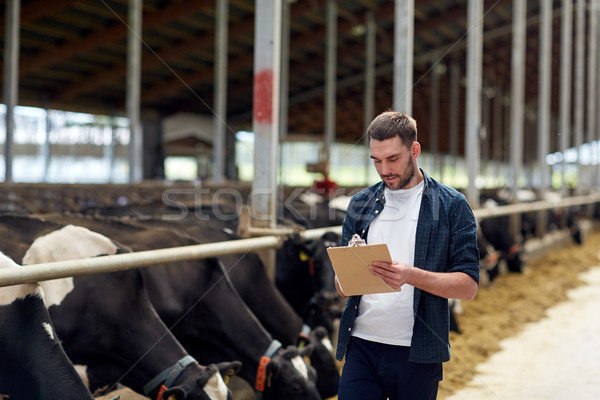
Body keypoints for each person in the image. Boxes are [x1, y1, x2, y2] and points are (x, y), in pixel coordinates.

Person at [334, 111, 480, 400]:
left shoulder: (451, 205)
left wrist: (410, 276)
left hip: (418, 352)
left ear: (414, 150)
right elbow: (341, 288)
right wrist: (346, 276)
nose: (384, 169)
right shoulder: (360, 203)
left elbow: (468, 287)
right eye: (376, 160)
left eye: (392, 159)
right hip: (361, 345)